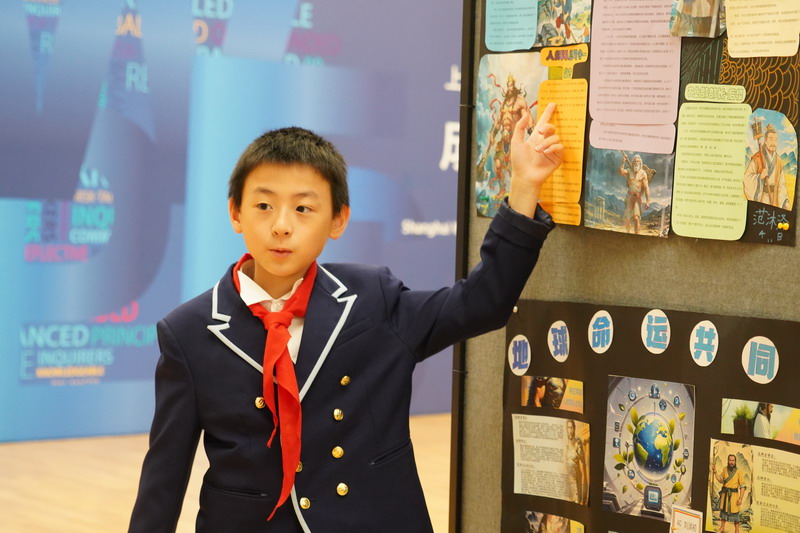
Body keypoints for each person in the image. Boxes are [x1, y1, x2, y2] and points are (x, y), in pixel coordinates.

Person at [129, 105, 563, 532]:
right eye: (263, 205)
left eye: (303, 209)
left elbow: (482, 302)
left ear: (338, 220)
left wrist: (524, 186)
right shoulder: (188, 332)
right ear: (235, 213)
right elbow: (163, 479)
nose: (281, 226)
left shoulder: (373, 299)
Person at [479, 73, 535, 199]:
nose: (509, 88)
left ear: (514, 86)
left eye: (511, 85)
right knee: (498, 165)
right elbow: (498, 121)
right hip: (504, 140)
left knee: (517, 168)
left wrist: (532, 132)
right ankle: (502, 189)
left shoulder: (520, 101)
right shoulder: (504, 104)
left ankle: (519, 193)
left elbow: (527, 118)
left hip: (516, 140)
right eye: (508, 85)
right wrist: (493, 134)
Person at [743, 124, 790, 210]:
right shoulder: (757, 158)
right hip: (762, 197)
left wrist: (785, 202)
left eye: (776, 140)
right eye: (771, 139)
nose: (773, 143)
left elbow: (782, 184)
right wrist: (760, 177)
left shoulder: (778, 161)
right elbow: (746, 178)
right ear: (765, 141)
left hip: (775, 199)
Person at [712, 454, 747, 533]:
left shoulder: (739, 472)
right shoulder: (725, 469)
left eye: (733, 460)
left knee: (735, 514)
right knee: (723, 513)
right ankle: (722, 527)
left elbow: (742, 486)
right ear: (728, 461)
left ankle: (737, 530)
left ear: (735, 462)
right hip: (725, 495)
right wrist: (715, 472)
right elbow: (721, 480)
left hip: (734, 496)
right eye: (730, 460)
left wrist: (740, 498)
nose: (731, 462)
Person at [619, 153, 651, 234]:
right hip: (629, 197)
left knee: (636, 218)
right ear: (633, 163)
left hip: (637, 197)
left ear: (640, 163)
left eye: (638, 161)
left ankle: (637, 235)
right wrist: (623, 162)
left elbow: (646, 187)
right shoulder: (629, 171)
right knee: (627, 219)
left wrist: (648, 200)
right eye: (635, 161)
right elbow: (621, 172)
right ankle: (628, 233)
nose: (636, 163)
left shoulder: (643, 173)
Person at [565, 418, 588, 505]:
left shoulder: (578, 444)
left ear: (574, 429)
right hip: (567, 486)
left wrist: (583, 494)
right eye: (568, 428)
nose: (570, 430)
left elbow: (583, 469)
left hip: (576, 486)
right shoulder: (566, 446)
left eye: (571, 428)